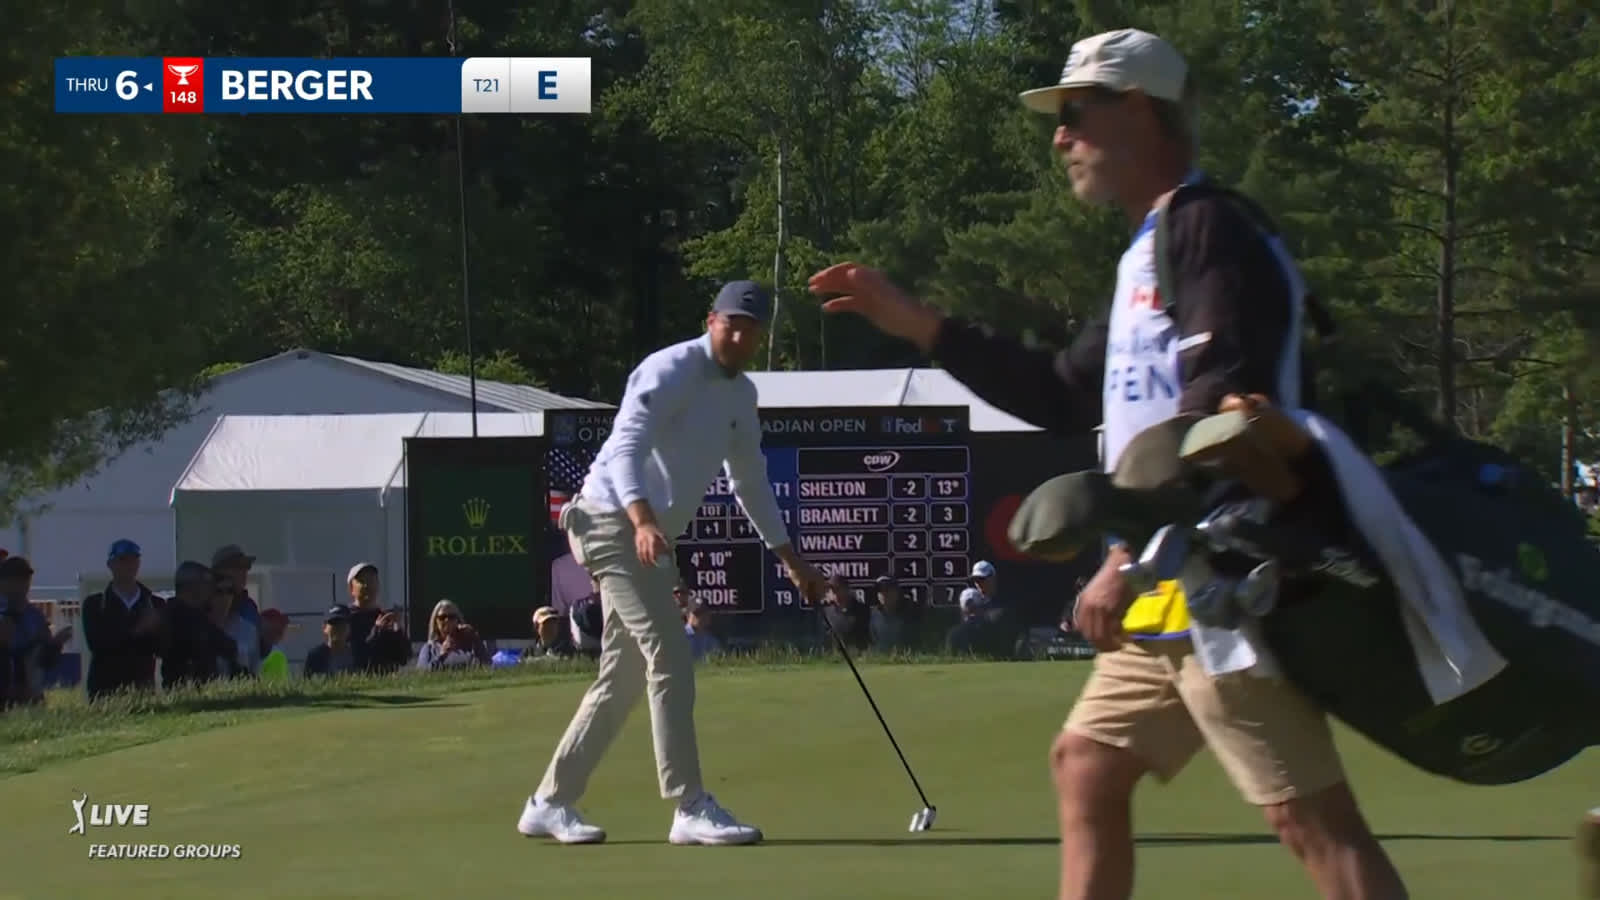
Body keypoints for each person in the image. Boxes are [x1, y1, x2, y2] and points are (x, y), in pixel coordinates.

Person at [808, 28, 1406, 900]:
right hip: (1175, 578)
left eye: (1075, 114)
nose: (1060, 136)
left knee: (1312, 823)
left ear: (1137, 112)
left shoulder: (1210, 230)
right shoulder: (1148, 249)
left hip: (1236, 581)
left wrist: (1124, 555)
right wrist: (922, 328)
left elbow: (1223, 413)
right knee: (1087, 766)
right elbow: (1061, 393)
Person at [517, 280, 830, 847]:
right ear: (711, 320)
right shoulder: (667, 370)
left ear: (759, 336)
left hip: (647, 534)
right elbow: (625, 451)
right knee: (669, 653)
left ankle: (549, 801)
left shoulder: (741, 396)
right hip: (610, 521)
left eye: (750, 328)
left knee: (624, 675)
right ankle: (688, 805)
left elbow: (750, 481)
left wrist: (791, 560)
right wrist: (641, 520)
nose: (738, 334)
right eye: (730, 322)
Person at [81, 539, 164, 701]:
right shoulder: (95, 604)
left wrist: (158, 630)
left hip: (142, 687)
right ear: (110, 564)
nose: (129, 564)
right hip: (104, 689)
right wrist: (138, 630)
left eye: (134, 559)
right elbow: (98, 645)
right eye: (123, 559)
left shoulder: (154, 603)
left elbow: (161, 649)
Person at [343, 562, 411, 672]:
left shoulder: (384, 616)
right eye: (362, 581)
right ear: (351, 588)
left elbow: (404, 658)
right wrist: (377, 630)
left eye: (372, 580)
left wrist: (398, 629)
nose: (367, 585)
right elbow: (355, 655)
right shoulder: (346, 618)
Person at [416, 599, 493, 669]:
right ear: (435, 623)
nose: (447, 620)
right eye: (442, 617)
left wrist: (474, 637)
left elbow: (488, 664)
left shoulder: (469, 644)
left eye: (451, 617)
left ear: (458, 620)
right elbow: (422, 672)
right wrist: (442, 655)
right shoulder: (429, 649)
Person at [304, 606, 357, 678]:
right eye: (334, 623)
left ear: (349, 627)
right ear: (324, 627)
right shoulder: (315, 656)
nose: (338, 628)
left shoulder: (357, 653)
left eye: (342, 624)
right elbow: (308, 683)